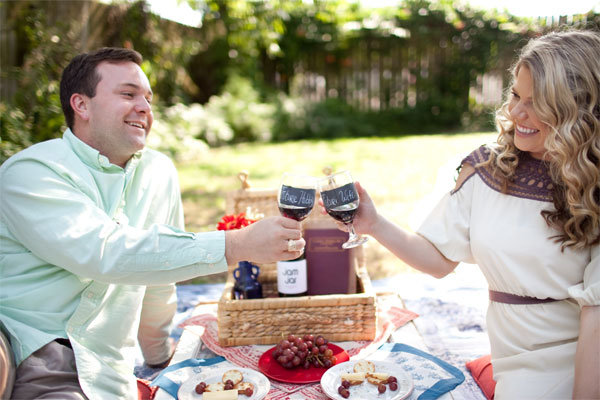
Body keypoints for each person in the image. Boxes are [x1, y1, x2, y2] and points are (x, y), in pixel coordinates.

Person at [0, 47, 306, 399]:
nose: (144, 107)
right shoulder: (32, 174)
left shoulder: (157, 171)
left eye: (147, 98)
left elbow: (158, 277)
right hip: (41, 362)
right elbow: (107, 253)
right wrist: (236, 244)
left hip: (112, 371)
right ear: (80, 105)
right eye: (128, 94)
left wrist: (160, 356)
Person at [327, 30, 600, 399]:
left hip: (580, 357)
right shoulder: (490, 166)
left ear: (577, 110)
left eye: (537, 104)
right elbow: (439, 260)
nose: (516, 113)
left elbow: (596, 318)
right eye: (516, 96)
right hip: (515, 357)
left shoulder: (592, 186)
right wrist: (373, 224)